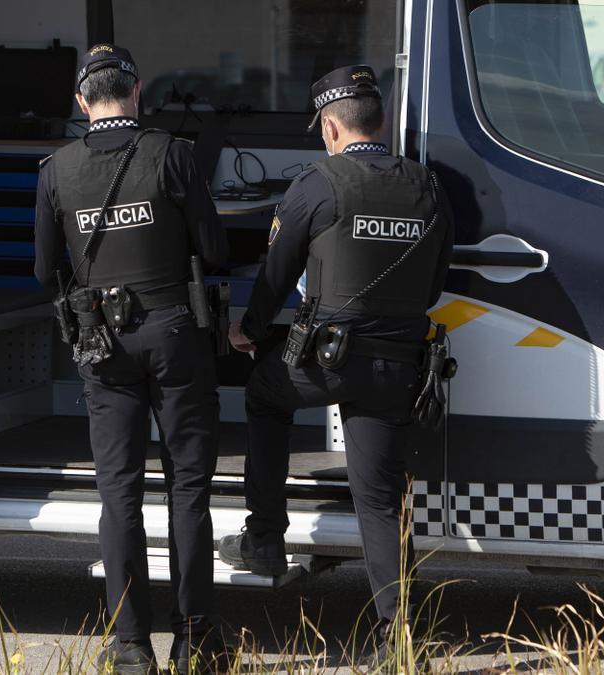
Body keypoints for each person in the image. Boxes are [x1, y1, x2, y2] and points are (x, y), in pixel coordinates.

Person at [220, 65, 453, 634]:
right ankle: (400, 635)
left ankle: (266, 540)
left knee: (263, 398)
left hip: (325, 362)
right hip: (397, 366)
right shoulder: (427, 185)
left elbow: (276, 275)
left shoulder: (317, 184)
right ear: (382, 120)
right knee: (377, 499)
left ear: (329, 127)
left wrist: (247, 328)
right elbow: (434, 287)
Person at [34, 44, 229, 674]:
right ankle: (196, 638)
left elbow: (44, 270)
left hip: (102, 343)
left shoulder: (55, 170)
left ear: (81, 102)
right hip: (174, 334)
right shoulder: (171, 154)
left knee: (118, 492)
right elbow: (214, 247)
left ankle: (130, 649)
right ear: (137, 91)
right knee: (188, 488)